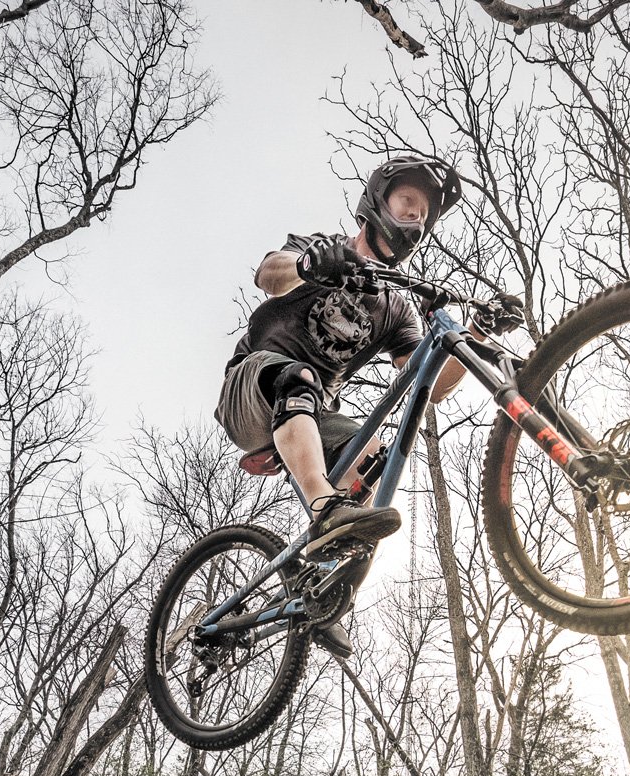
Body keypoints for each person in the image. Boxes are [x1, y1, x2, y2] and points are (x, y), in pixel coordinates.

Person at [215, 154, 509, 656]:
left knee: (373, 463)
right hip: (252, 386)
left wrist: (478, 333)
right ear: (377, 201)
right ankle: (322, 504)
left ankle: (327, 594)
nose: (414, 218)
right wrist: (312, 265)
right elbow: (268, 273)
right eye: (407, 204)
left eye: (423, 214)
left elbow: (429, 385)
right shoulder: (327, 249)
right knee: (299, 378)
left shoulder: (395, 306)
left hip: (313, 418)